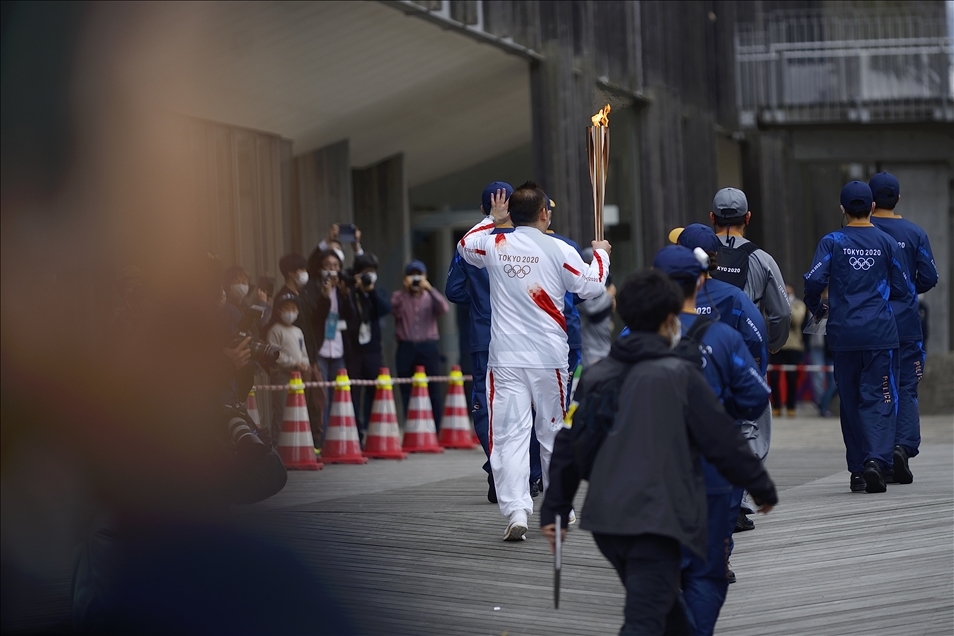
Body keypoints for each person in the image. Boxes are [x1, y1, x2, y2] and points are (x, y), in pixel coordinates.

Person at [540, 269, 778, 636]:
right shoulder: (680, 375)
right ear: (670, 322)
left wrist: (555, 509)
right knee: (645, 620)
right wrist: (760, 486)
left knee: (668, 613)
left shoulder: (595, 376)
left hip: (607, 521)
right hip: (656, 519)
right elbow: (722, 438)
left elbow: (568, 445)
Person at [457, 181, 610, 541]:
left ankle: (516, 511)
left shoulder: (495, 243)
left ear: (512, 212)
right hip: (549, 359)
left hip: (505, 359)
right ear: (544, 213)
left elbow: (464, 247)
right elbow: (592, 287)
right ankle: (559, 505)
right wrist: (601, 254)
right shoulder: (559, 249)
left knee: (509, 436)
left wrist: (493, 221)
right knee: (553, 431)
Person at [654, 246, 770, 636]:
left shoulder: (633, 337)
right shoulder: (722, 337)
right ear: (702, 279)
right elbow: (755, 398)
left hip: (655, 470)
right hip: (713, 468)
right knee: (707, 573)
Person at [803, 181, 910, 493]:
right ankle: (877, 460)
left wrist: (818, 306)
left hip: (844, 332)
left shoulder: (832, 241)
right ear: (873, 208)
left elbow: (813, 281)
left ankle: (858, 470)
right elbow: (903, 287)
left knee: (849, 401)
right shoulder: (887, 242)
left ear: (843, 208)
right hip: (880, 333)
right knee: (880, 399)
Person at [669, 222, 770, 531]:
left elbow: (630, 341)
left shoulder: (661, 298)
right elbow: (757, 342)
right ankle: (722, 548)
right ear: (717, 257)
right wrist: (746, 378)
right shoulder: (734, 297)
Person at [868, 172, 938, 483]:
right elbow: (930, 277)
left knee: (877, 389)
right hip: (908, 321)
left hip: (872, 321)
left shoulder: (860, 232)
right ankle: (902, 447)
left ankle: (876, 456)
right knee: (907, 387)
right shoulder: (915, 233)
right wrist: (908, 289)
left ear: (870, 201)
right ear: (898, 199)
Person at [446, 181, 514, 503]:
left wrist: (481, 298)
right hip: (521, 338)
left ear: (482, 210)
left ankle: (498, 470)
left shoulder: (472, 246)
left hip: (485, 336)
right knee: (521, 403)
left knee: (486, 405)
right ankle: (528, 473)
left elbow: (453, 291)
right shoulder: (532, 243)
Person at [392, 259, 449, 429]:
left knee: (434, 389)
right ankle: (411, 428)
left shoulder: (431, 297)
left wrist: (429, 288)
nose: (415, 279)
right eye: (412, 275)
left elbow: (444, 308)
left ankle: (436, 428)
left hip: (428, 346)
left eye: (419, 275)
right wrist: (405, 289)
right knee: (406, 389)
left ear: (425, 277)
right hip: (406, 346)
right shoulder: (399, 296)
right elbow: (394, 310)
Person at [276, 253, 323, 451]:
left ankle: (313, 443)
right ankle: (296, 445)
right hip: (292, 366)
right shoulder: (284, 298)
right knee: (291, 407)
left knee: (314, 400)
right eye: (301, 270)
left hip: (307, 359)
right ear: (290, 272)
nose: (305, 274)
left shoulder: (302, 296)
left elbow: (310, 327)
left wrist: (310, 359)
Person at [310, 249, 354, 439]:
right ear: (320, 269)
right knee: (323, 398)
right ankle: (324, 438)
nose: (332, 270)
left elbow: (351, 317)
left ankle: (341, 438)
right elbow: (315, 318)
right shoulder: (315, 289)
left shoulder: (342, 290)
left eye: (335, 266)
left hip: (339, 350)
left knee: (341, 396)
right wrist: (324, 297)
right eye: (328, 266)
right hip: (321, 349)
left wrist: (345, 295)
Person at [347, 252, 392, 438]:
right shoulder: (350, 292)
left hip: (373, 350)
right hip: (354, 351)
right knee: (354, 393)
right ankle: (356, 432)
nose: (369, 275)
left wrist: (370, 291)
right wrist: (354, 289)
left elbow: (385, 309)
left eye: (372, 271)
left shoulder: (377, 292)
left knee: (374, 391)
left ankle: (372, 431)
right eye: (365, 271)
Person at [265, 292, 311, 442]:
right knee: (282, 411)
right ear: (279, 311)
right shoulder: (275, 330)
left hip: (297, 377)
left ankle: (296, 443)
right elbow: (275, 354)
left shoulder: (298, 331)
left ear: (297, 311)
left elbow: (303, 352)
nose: (290, 311)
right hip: (281, 375)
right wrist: (292, 362)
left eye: (293, 308)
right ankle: (277, 443)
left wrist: (304, 363)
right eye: (286, 308)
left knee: (297, 411)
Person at [769, 285, 807, 417]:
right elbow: (769, 320)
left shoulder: (799, 305)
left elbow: (797, 319)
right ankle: (776, 406)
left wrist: (786, 305)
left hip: (793, 346)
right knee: (774, 377)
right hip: (776, 344)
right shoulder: (773, 302)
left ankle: (791, 406)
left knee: (792, 378)